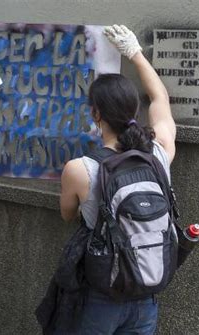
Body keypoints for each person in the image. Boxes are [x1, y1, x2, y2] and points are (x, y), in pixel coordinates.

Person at [59, 25, 176, 334]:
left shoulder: (78, 169)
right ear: (134, 110)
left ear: (96, 114)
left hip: (101, 295)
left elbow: (67, 214)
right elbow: (160, 98)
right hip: (146, 289)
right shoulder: (159, 154)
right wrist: (134, 52)